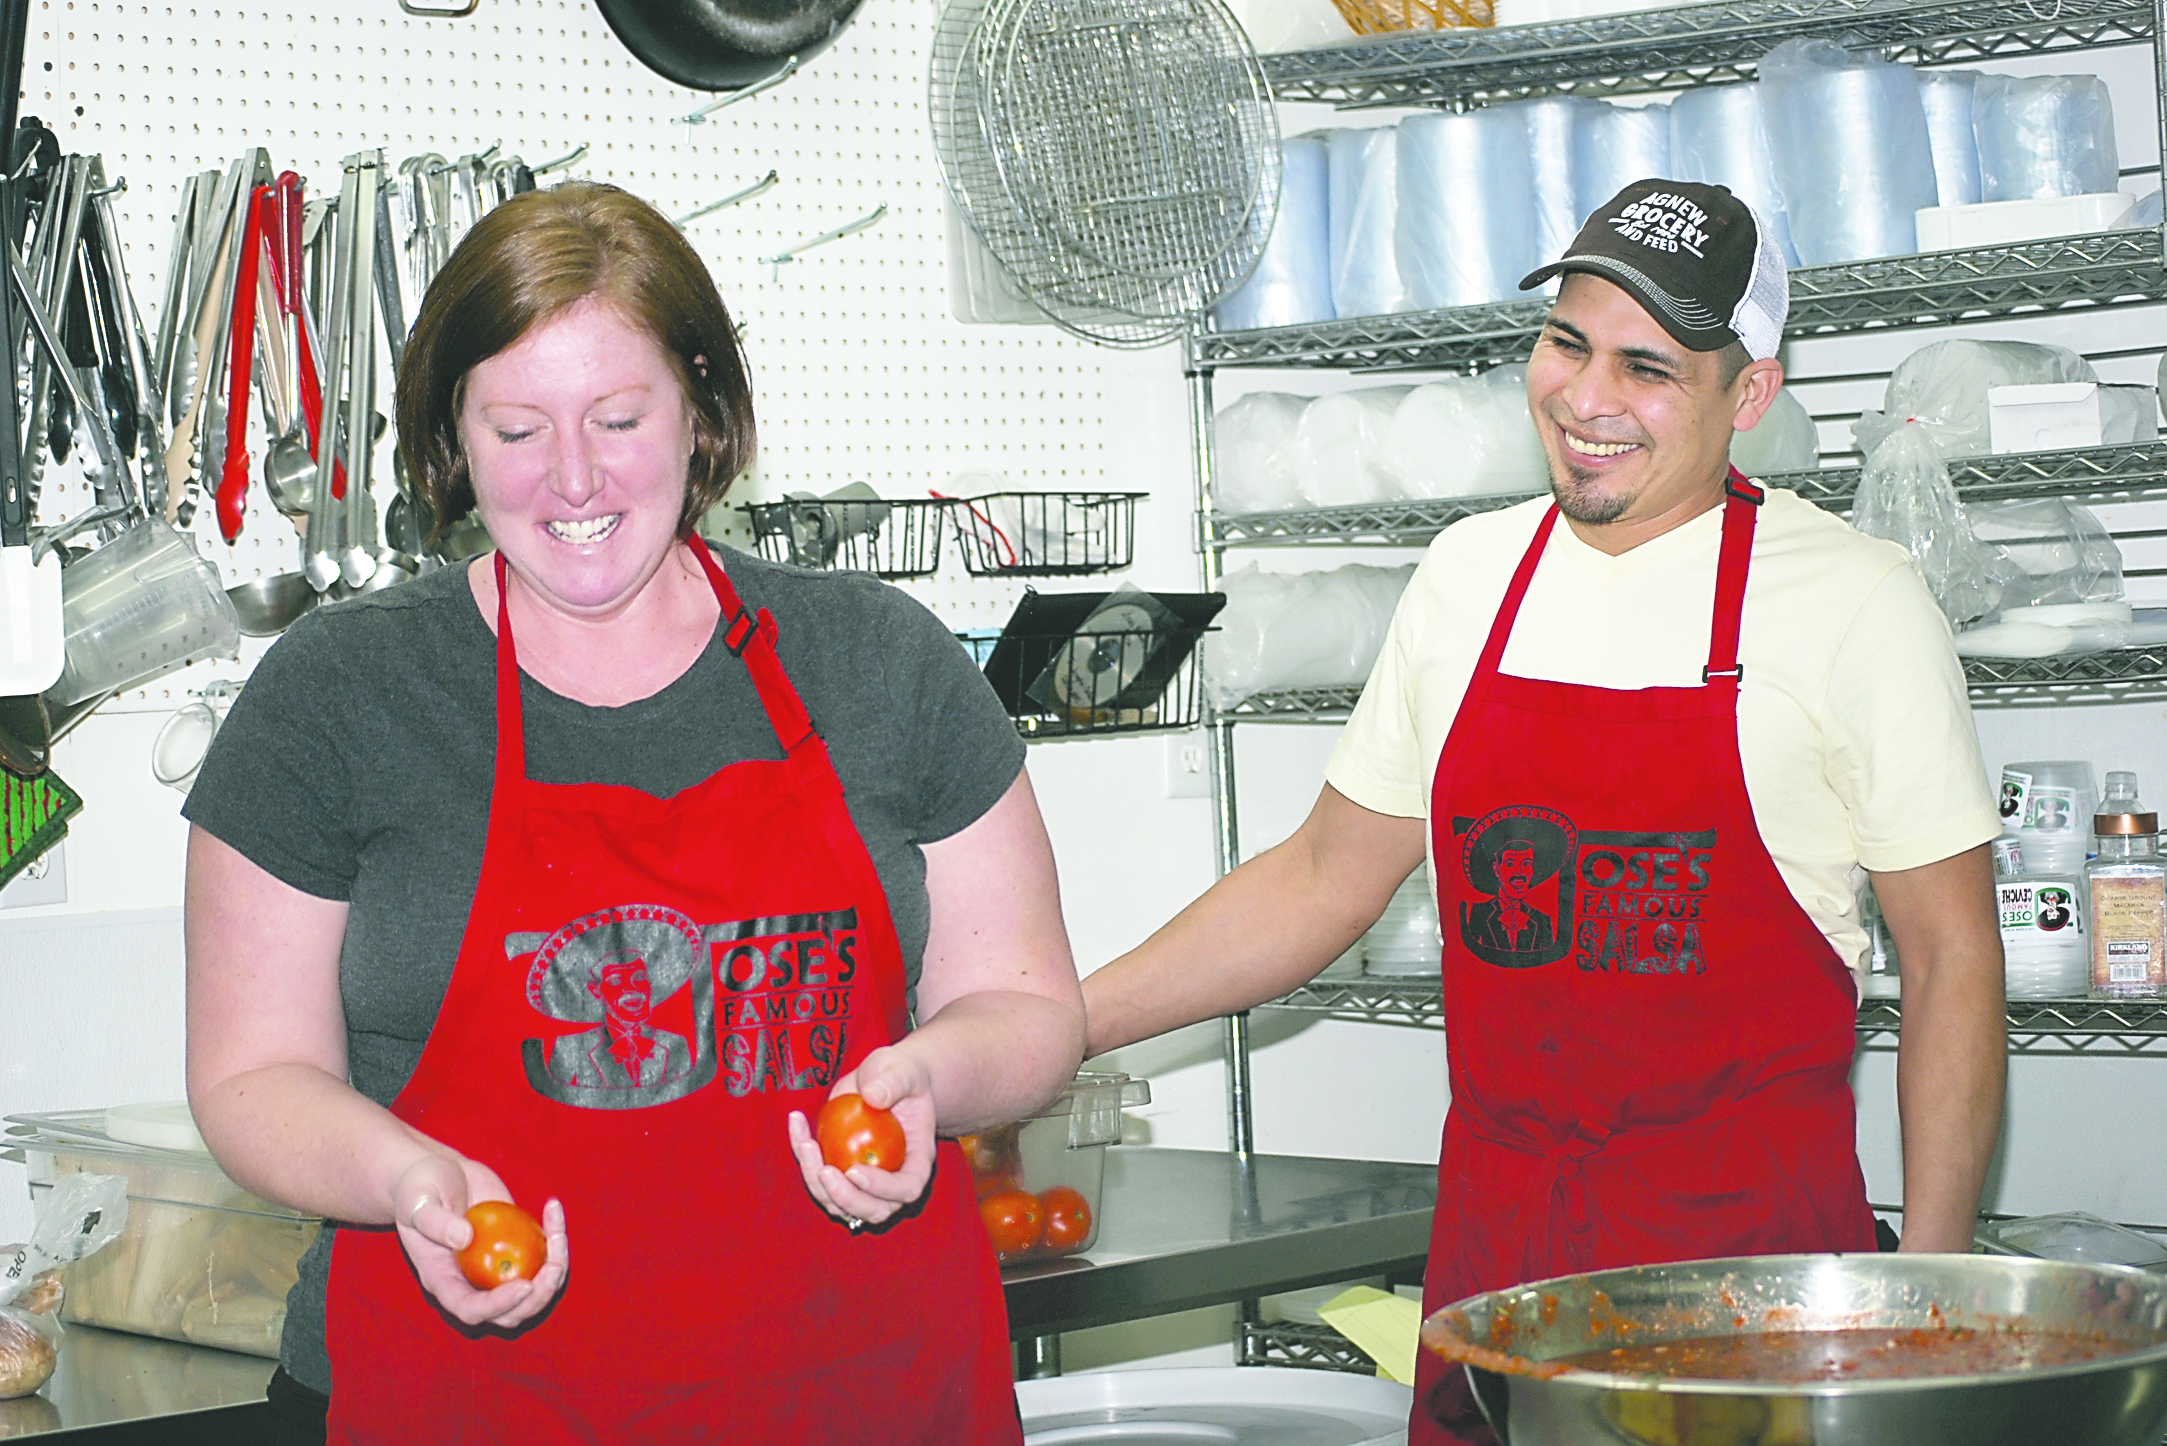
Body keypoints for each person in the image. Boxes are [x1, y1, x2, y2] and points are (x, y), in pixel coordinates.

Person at [1083, 180, 2006, 1444]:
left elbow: (1955, 960)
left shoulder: (1853, 603)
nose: (1585, 399)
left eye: (1648, 367)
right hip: (1499, 1270)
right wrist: (1058, 1022)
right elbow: (1316, 880)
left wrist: (1928, 1306)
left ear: (1750, 396)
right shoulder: (1470, 577)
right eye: (1566, 343)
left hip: (1746, 1280)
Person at [183, 180, 1086, 1444]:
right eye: (513, 430)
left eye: (618, 416)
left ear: (702, 416)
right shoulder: (340, 695)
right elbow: (251, 1076)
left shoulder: (877, 661)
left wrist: (930, 1076)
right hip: (469, 1399)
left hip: (857, 1397)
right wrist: (408, 1181)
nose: (573, 478)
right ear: (450, 441)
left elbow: (1032, 1009)